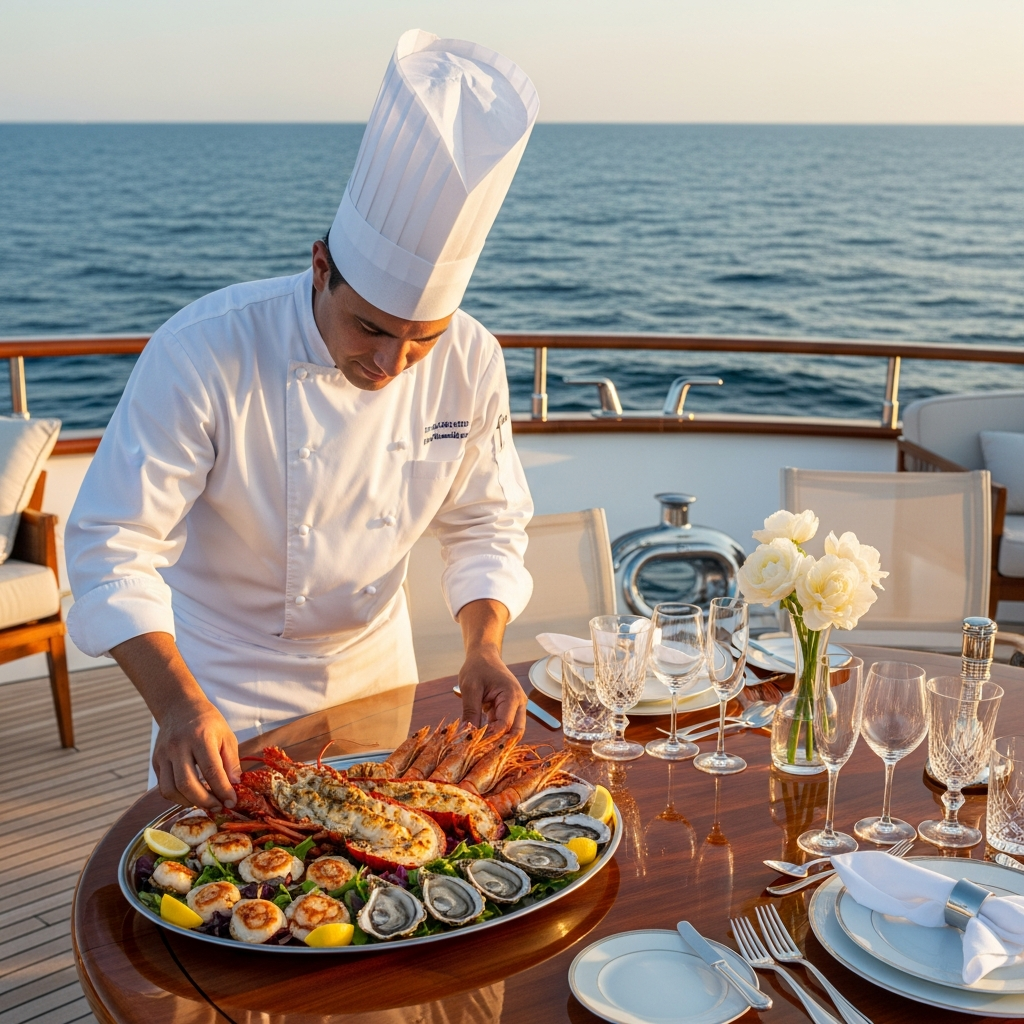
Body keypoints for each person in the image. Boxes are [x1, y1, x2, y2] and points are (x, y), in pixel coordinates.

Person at [65, 29, 540, 811]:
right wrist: (176, 702)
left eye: (422, 339)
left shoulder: (472, 357)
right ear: (321, 266)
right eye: (372, 329)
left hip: (376, 672)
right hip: (222, 682)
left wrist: (483, 646)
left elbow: (486, 521)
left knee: (390, 873)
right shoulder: (204, 349)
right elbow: (110, 546)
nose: (391, 365)